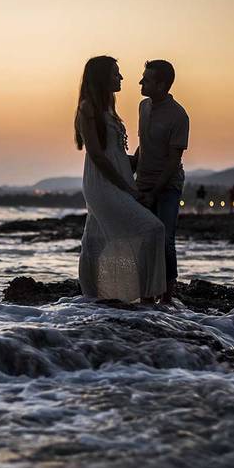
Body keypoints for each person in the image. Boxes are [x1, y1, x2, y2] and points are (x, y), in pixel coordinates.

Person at [76, 56, 166, 304]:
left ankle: (93, 298)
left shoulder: (108, 108)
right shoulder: (88, 107)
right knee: (153, 228)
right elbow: (97, 155)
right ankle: (148, 297)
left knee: (95, 238)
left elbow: (114, 154)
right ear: (102, 77)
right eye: (116, 73)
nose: (122, 78)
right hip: (102, 183)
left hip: (116, 179)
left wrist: (144, 153)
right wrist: (126, 187)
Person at [131, 60, 189, 304]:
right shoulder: (143, 106)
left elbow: (174, 160)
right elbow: (143, 146)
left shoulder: (179, 115)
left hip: (168, 187)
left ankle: (167, 297)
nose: (141, 82)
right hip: (142, 183)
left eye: (146, 79)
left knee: (165, 238)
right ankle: (146, 294)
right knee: (144, 239)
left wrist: (155, 192)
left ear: (162, 84)